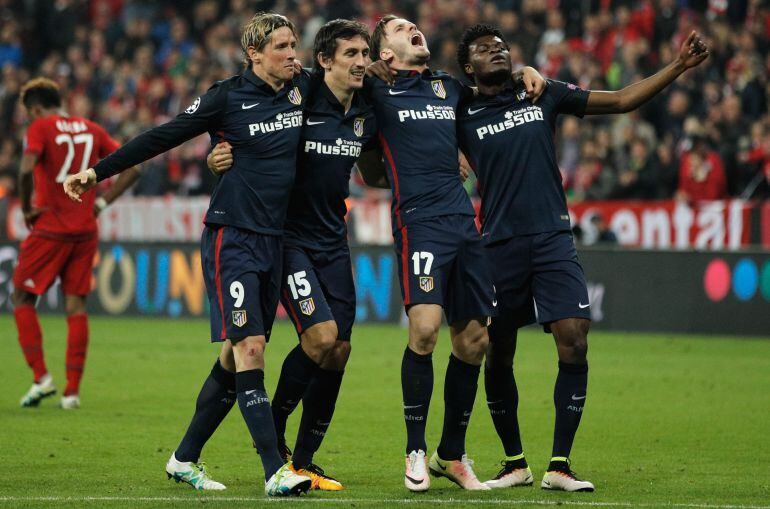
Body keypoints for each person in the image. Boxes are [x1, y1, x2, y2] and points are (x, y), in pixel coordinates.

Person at [63, 12, 314, 497]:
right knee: (251, 348)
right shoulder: (226, 97)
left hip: (275, 239)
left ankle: (183, 458)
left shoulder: (304, 88)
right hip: (233, 237)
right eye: (281, 47)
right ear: (255, 54)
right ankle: (274, 471)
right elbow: (163, 136)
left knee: (232, 354)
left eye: (293, 45)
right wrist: (96, 173)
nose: (291, 54)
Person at [455, 24, 708, 492]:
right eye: (485, 49)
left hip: (552, 237)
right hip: (496, 244)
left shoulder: (541, 92)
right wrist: (449, 149)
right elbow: (419, 127)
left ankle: (559, 464)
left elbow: (620, 101)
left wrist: (678, 65)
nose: (498, 51)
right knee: (498, 350)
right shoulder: (460, 107)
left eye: (502, 46)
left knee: (574, 338)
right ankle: (514, 463)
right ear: (468, 66)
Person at [206, 18, 386, 491]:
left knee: (340, 349)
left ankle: (305, 459)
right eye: (351, 54)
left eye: (365, 54)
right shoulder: (299, 94)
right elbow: (245, 126)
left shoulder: (366, 108)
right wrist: (216, 152)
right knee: (321, 337)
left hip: (333, 240)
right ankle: (277, 437)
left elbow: (372, 170)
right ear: (324, 60)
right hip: (287, 239)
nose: (361, 62)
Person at [367, 15, 545, 491]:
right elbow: (367, 169)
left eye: (411, 23)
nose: (412, 28)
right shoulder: (376, 91)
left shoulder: (449, 87)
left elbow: (493, 87)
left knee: (474, 342)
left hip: (465, 224)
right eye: (399, 29)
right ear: (384, 53)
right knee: (424, 330)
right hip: (419, 223)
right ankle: (415, 450)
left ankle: (452, 453)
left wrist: (526, 70)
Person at [13, 77, 139, 410]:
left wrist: (26, 208)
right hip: (85, 229)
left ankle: (41, 377)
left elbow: (26, 170)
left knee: (22, 296)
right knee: (76, 306)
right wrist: (100, 204)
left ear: (36, 108)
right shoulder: (91, 128)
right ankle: (71, 393)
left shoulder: (41, 126)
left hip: (51, 226)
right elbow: (133, 167)